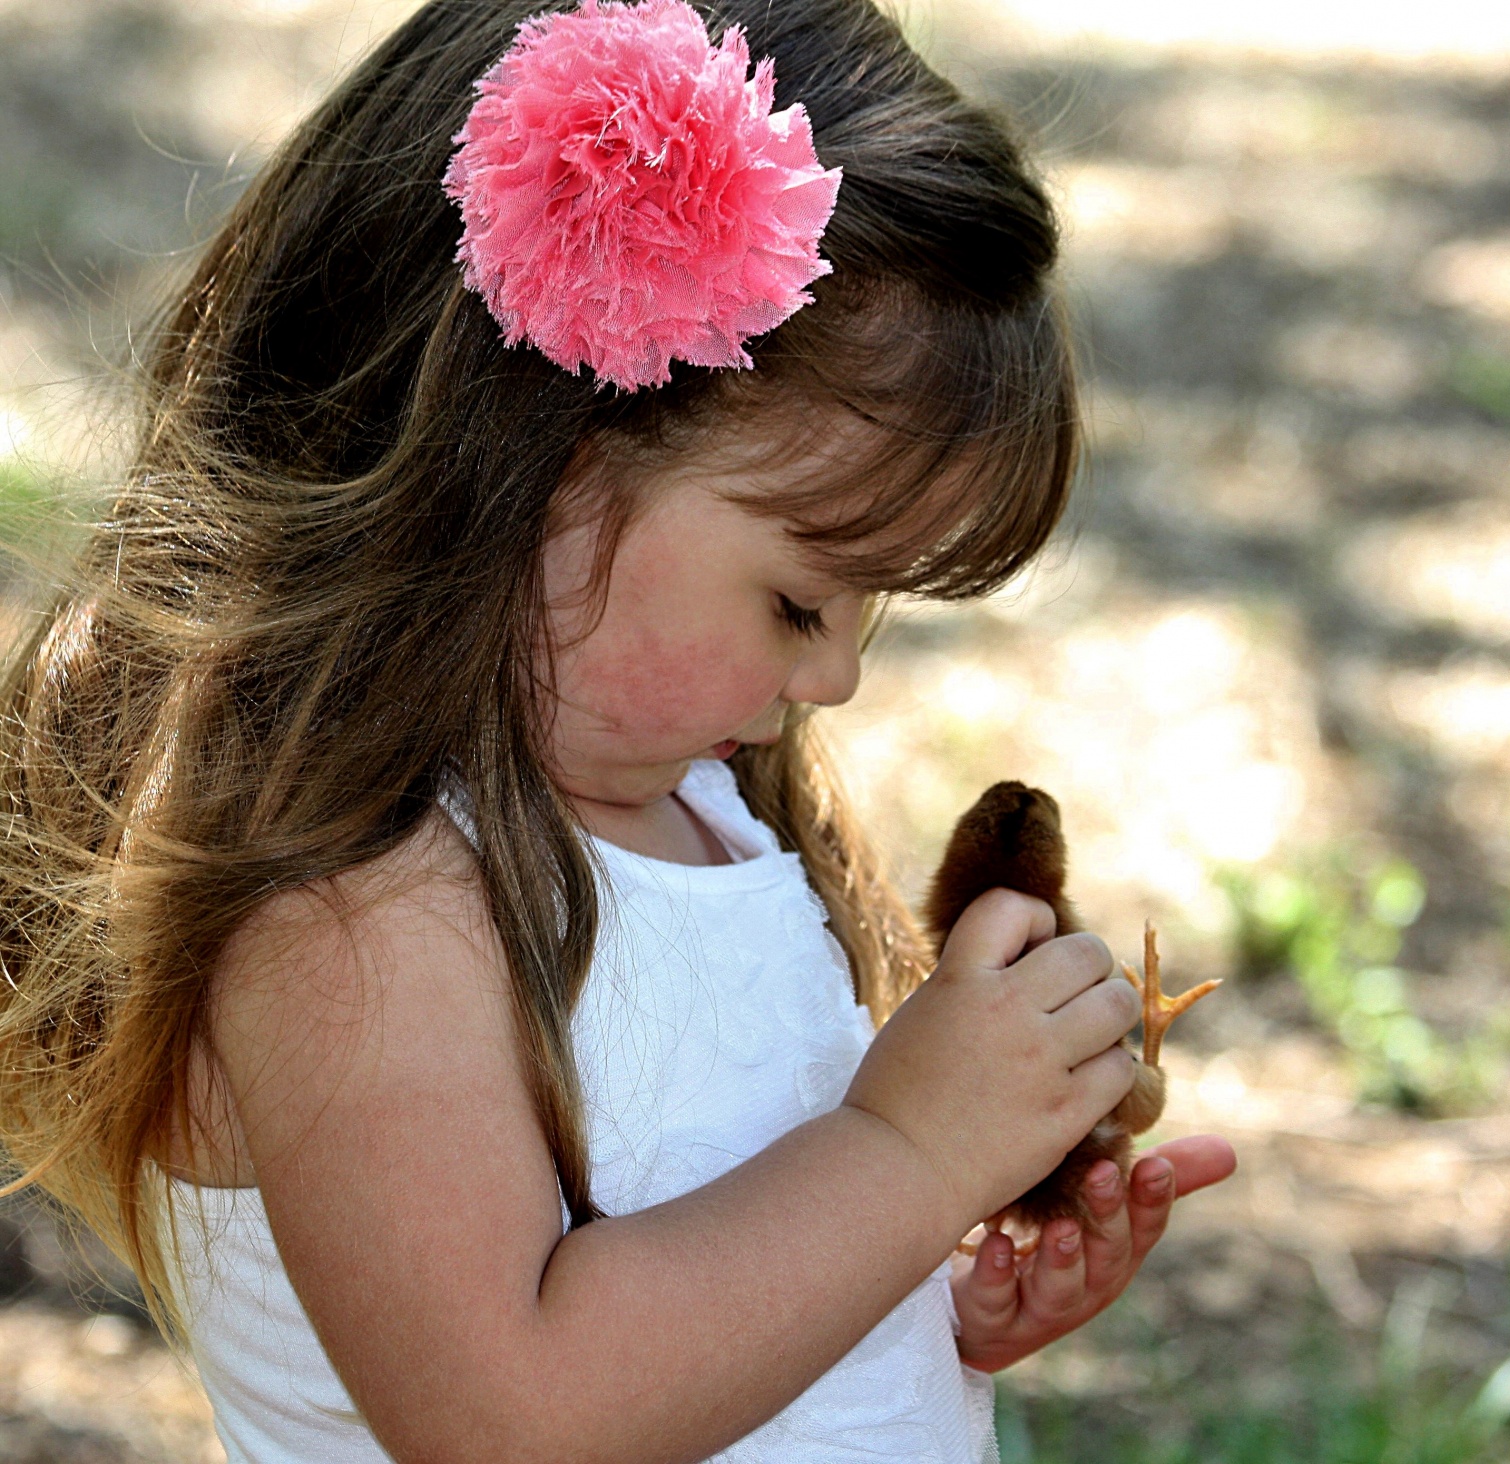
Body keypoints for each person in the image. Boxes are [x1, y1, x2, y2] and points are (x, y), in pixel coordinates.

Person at [0, 0, 1237, 1459]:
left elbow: (700, 1267)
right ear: (537, 468)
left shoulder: (691, 812)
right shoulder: (358, 904)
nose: (833, 681)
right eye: (798, 600)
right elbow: (509, 1413)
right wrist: (909, 1155)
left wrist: (911, 1308)